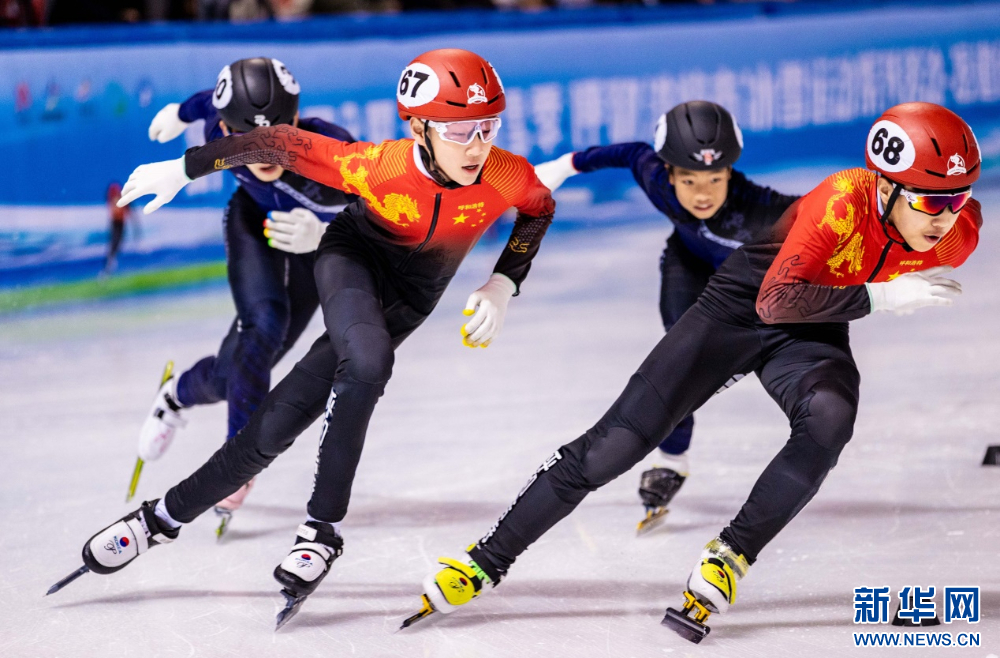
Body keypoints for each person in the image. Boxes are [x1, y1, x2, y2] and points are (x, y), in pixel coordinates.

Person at [405, 102, 982, 641]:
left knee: (831, 416)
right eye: (930, 202)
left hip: (814, 321)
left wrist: (885, 278)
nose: (945, 217)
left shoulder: (958, 233)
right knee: (612, 448)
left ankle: (730, 556)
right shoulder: (841, 201)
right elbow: (775, 301)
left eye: (957, 199)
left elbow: (816, 301)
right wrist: (881, 297)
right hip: (745, 303)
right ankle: (485, 561)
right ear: (883, 186)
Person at [54, 48, 556, 630]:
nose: (477, 146)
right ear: (418, 127)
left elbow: (538, 209)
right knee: (367, 362)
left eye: (489, 127)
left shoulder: (506, 173)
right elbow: (276, 142)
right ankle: (322, 529)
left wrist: (503, 282)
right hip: (351, 261)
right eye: (459, 130)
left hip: (412, 299)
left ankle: (157, 520)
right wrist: (185, 168)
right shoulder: (377, 165)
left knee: (273, 426)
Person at [534, 101, 797, 531]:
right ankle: (673, 460)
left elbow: (828, 217)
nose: (703, 194)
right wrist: (563, 167)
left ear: (730, 171)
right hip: (687, 263)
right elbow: (629, 152)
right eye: (689, 180)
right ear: (669, 173)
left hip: (746, 282)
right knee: (677, 360)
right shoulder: (654, 177)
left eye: (715, 179)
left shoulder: (761, 208)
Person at [128, 57, 356, 537]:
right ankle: (238, 460)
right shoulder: (220, 129)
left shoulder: (336, 150)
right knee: (263, 327)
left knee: (239, 371)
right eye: (248, 139)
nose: (265, 150)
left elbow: (390, 213)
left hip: (317, 242)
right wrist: (179, 113)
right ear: (229, 130)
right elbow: (204, 103)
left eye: (277, 134)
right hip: (253, 222)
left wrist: (329, 234)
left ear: (297, 120)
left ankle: (176, 394)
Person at [101, 181, 137, 276]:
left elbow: (129, 211)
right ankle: (108, 266)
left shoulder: (123, 199)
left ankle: (110, 264)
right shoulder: (112, 198)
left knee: (117, 243)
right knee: (114, 243)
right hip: (115, 223)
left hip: (120, 223)